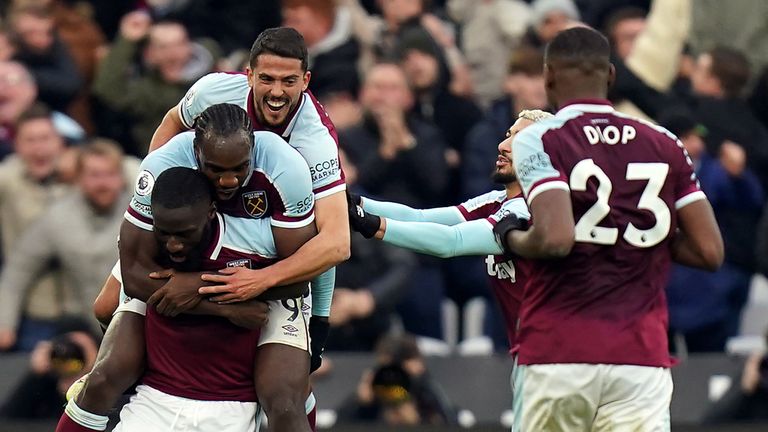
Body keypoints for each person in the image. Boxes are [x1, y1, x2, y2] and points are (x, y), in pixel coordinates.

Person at [494, 27, 724, 431]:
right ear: (612, 76)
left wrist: (510, 234)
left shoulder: (541, 139)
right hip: (641, 356)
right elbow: (709, 252)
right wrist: (634, 230)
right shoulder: (665, 142)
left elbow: (555, 238)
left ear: (548, 77)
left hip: (558, 349)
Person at [56, 104, 318, 432]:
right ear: (196, 152)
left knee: (284, 401)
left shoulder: (285, 167)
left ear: (252, 150)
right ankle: (140, 380)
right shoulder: (162, 167)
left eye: (239, 168)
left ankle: (301, 391)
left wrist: (198, 287)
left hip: (263, 271)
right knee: (104, 326)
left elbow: (300, 275)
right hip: (182, 270)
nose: (228, 180)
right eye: (215, 168)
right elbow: (136, 273)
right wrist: (215, 303)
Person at [106, 25, 350, 370]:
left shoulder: (314, 141)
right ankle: (122, 389)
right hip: (196, 215)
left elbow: (336, 244)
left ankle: (310, 336)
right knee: (104, 307)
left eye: (289, 82)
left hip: (261, 228)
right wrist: (167, 193)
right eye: (267, 79)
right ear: (248, 74)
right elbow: (172, 122)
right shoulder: (213, 91)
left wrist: (263, 282)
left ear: (306, 81)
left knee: (289, 376)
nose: (277, 92)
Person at [60, 167, 275, 431]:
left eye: (182, 235)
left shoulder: (257, 233)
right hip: (156, 395)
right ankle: (121, 373)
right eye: (165, 234)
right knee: (106, 358)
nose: (172, 244)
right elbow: (119, 295)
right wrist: (217, 305)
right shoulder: (151, 216)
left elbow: (313, 263)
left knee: (287, 394)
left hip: (228, 401)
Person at [348, 110, 552, 351]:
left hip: (552, 348)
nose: (503, 145)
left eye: (519, 140)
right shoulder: (498, 201)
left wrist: (373, 225)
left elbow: (451, 241)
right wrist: (353, 202)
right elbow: (420, 217)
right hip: (529, 346)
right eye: (508, 135)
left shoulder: (528, 208)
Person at [0, 139, 129, 338]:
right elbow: (18, 271)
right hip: (81, 327)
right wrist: (4, 325)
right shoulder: (57, 217)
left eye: (110, 174)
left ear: (121, 177)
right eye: (94, 175)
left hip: (136, 321)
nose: (103, 183)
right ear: (78, 178)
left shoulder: (142, 212)